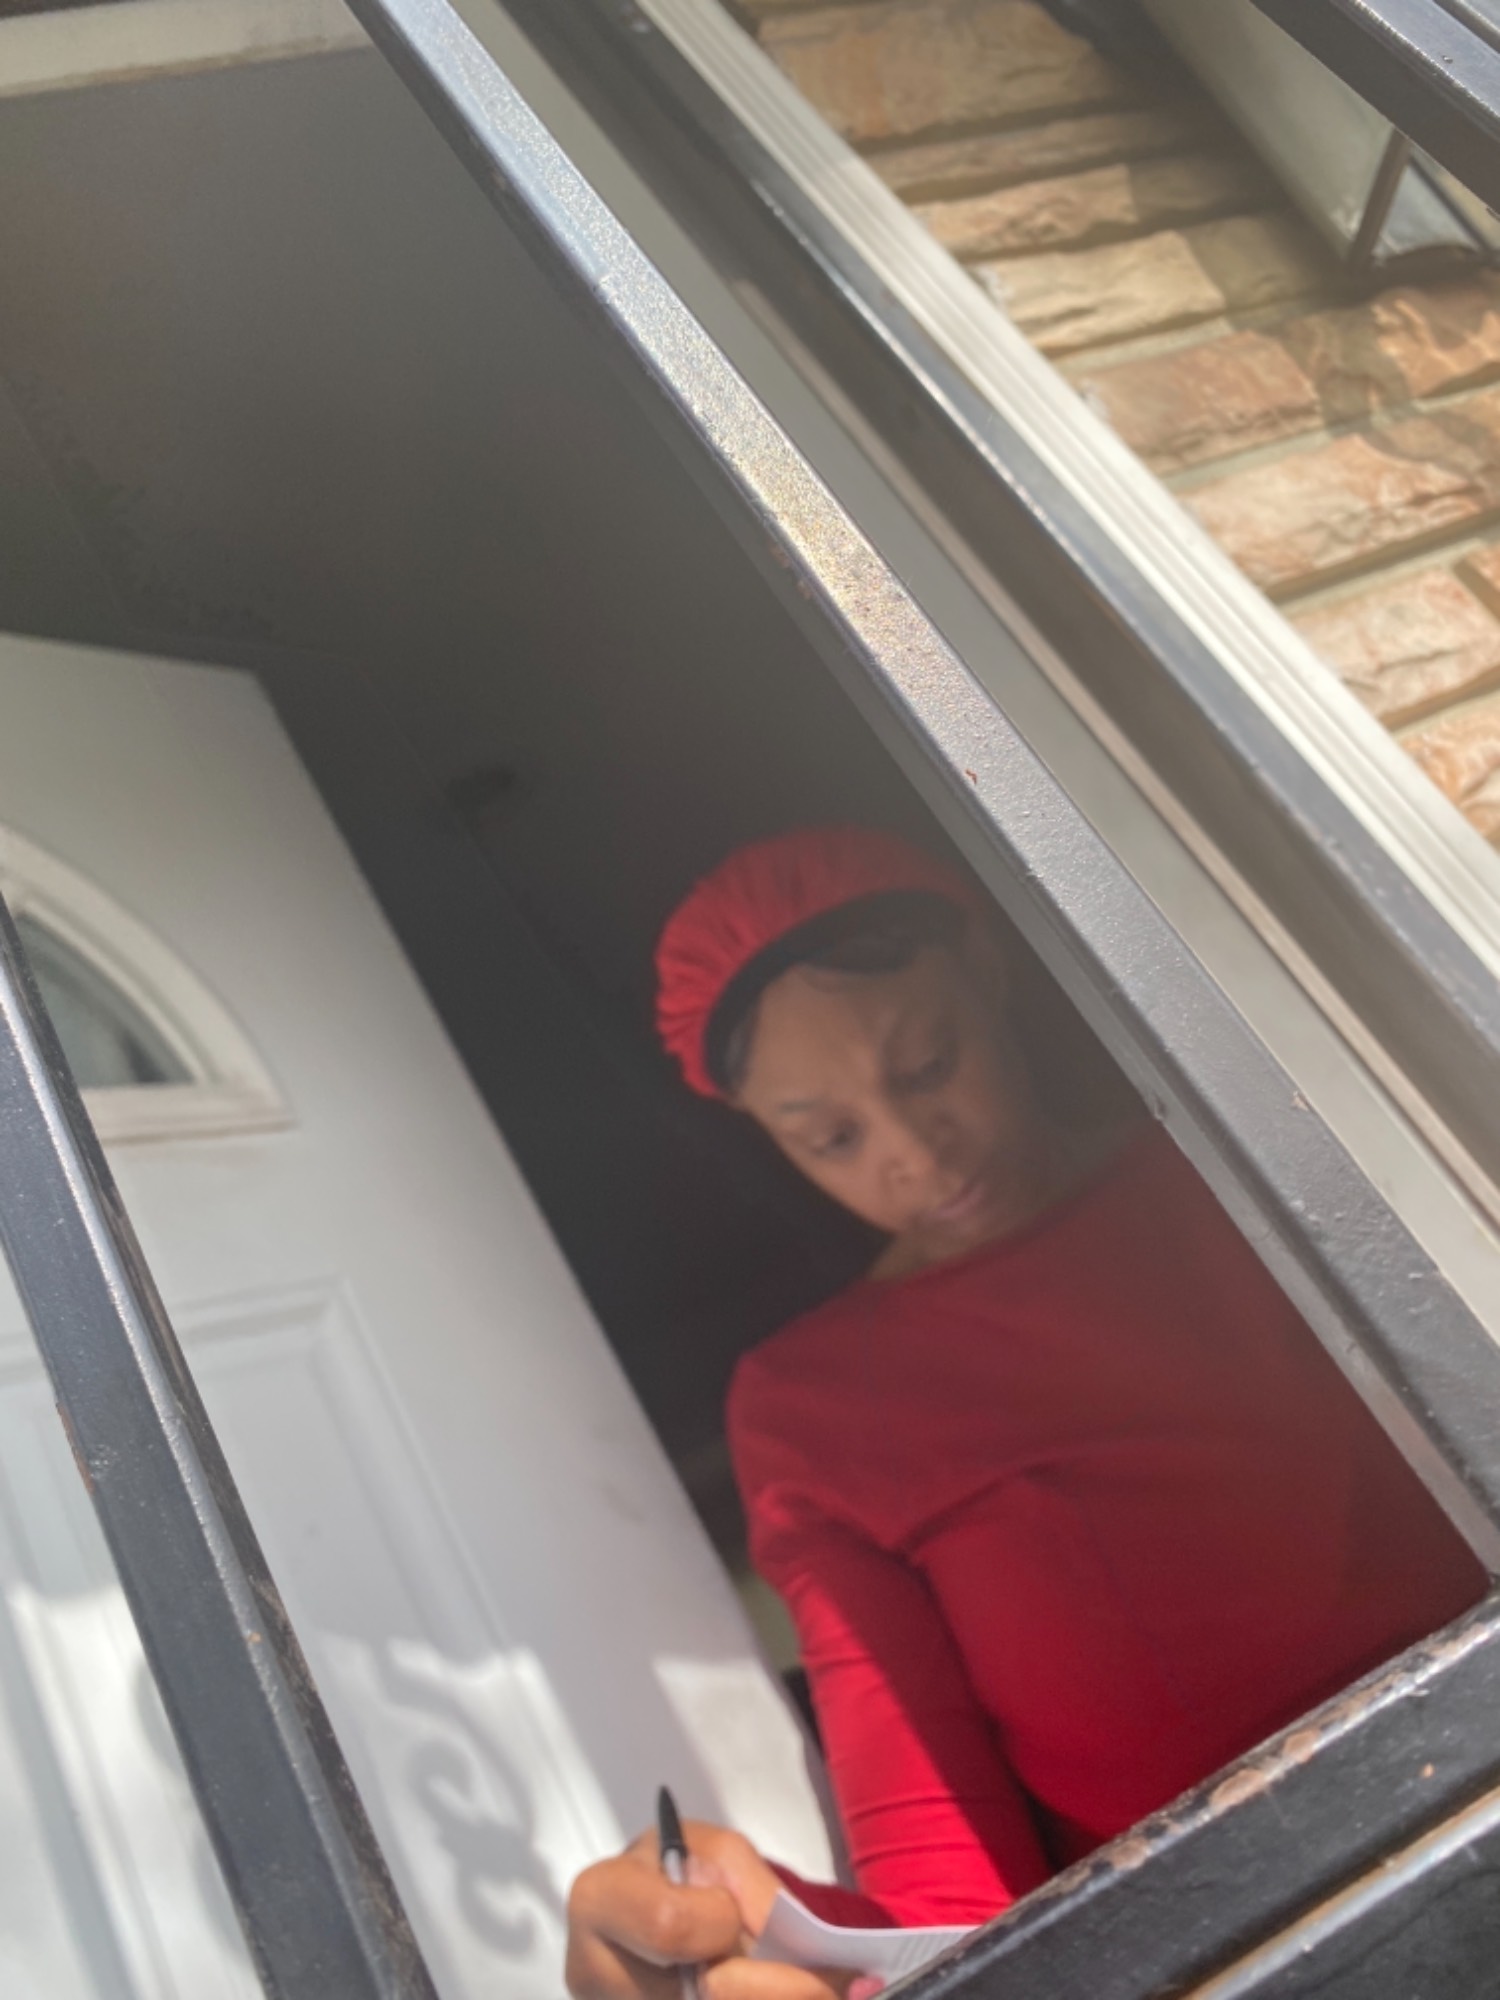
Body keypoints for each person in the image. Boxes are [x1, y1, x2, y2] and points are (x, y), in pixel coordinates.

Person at [565, 826, 1485, 2000]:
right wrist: (748, 1938)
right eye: (831, 1137)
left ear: (987, 971)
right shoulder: (817, 1409)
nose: (912, 1152)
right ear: (765, 1134)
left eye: (928, 1063)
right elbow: (948, 1907)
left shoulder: (1259, 1162)